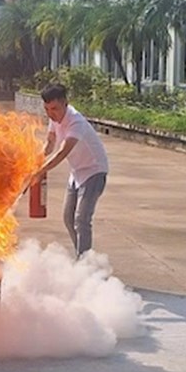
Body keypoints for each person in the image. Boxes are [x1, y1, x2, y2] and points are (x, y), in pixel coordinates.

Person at [31, 83, 109, 257]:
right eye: (47, 109)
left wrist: (40, 172)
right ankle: (82, 255)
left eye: (54, 109)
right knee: (68, 218)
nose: (51, 114)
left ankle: (85, 263)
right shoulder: (54, 120)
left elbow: (62, 152)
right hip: (77, 172)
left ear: (65, 103)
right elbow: (50, 143)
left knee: (81, 219)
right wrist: (35, 160)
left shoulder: (76, 122)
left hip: (94, 171)